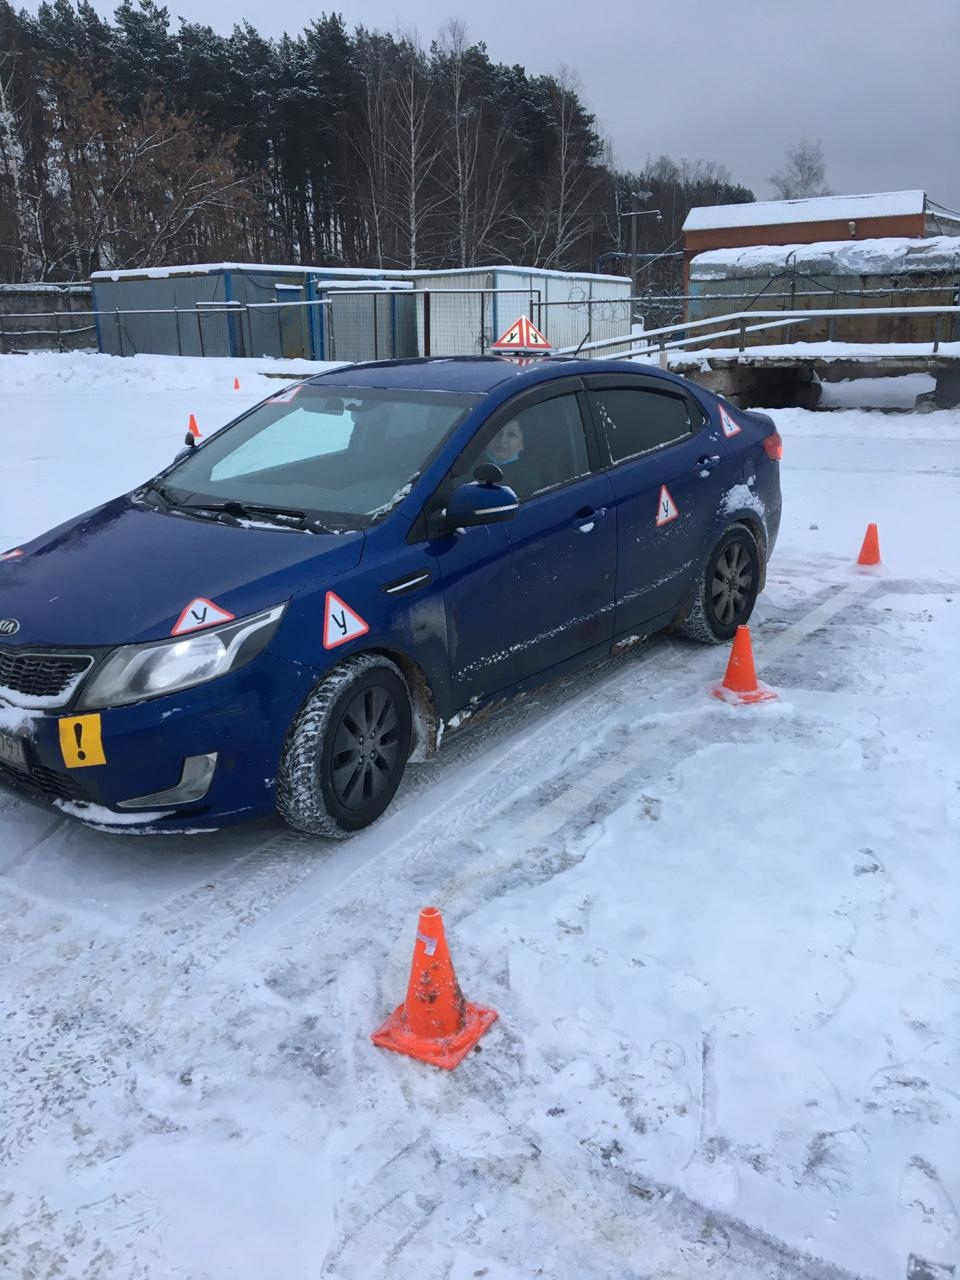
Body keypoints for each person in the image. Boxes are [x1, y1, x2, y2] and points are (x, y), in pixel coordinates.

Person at [484, 419, 535, 499]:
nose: (502, 440)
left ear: (522, 444)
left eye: (511, 435)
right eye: (497, 432)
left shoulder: (527, 478)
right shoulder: (465, 463)